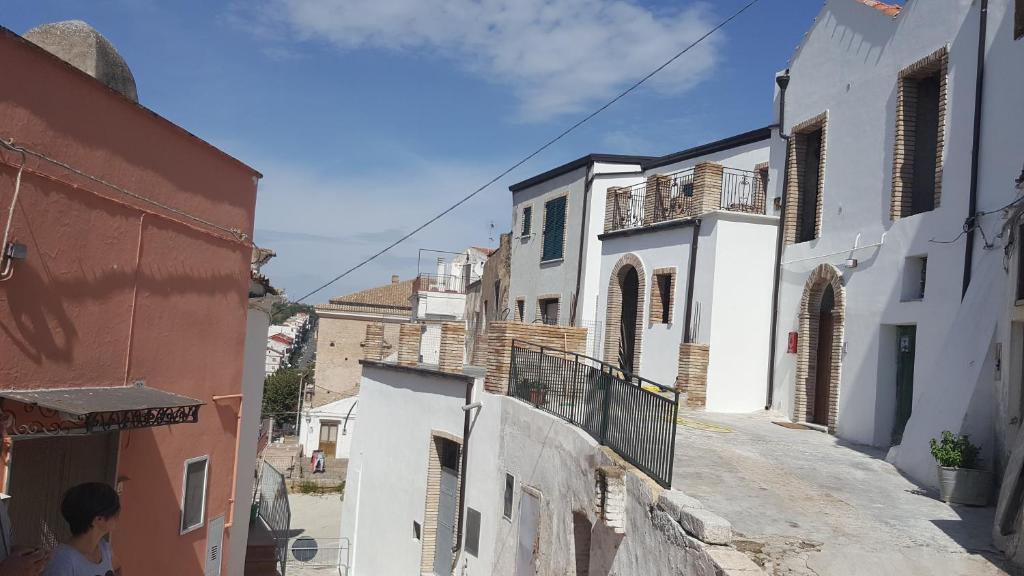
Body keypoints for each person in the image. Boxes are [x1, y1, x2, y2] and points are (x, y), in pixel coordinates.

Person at [42, 483, 121, 576]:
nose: (118, 517)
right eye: (114, 513)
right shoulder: (62, 560)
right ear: (98, 519)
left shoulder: (104, 549)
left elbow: (117, 567)